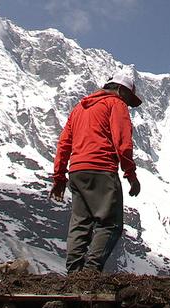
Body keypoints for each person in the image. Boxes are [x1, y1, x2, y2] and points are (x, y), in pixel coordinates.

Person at [49, 70, 142, 274]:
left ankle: (74, 273)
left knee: (81, 223)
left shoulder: (80, 108)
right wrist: (131, 175)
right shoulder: (115, 104)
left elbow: (64, 144)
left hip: (77, 171)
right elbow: (123, 143)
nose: (128, 104)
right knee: (110, 225)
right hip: (101, 169)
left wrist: (59, 177)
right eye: (128, 98)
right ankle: (90, 272)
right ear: (120, 90)